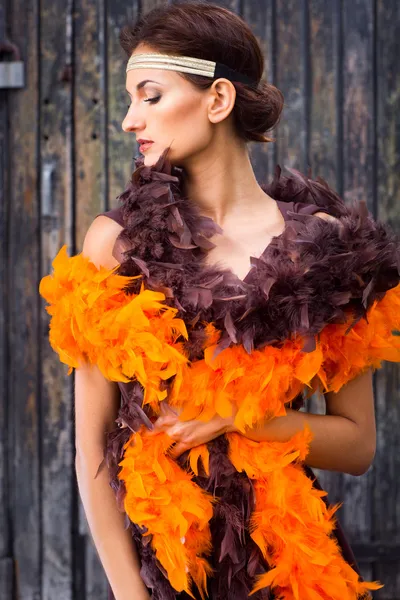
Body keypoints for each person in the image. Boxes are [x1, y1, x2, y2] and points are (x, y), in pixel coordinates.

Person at [39, 3, 400, 600]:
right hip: (167, 569)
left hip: (292, 566)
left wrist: (244, 417)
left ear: (218, 100)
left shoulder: (326, 246)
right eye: (129, 99)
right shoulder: (117, 245)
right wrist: (132, 595)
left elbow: (358, 445)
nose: (130, 120)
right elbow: (92, 451)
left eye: (149, 95)